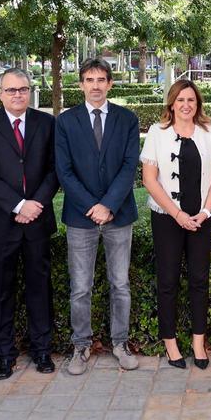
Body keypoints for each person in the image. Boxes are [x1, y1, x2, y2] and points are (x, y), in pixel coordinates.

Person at [0, 68, 59, 380]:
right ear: (0, 94)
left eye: (23, 89)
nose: (18, 94)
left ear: (30, 91)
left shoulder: (47, 123)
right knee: (1, 292)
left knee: (39, 289)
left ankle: (41, 350)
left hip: (37, 221)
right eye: (11, 90)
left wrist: (35, 205)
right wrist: (18, 205)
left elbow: (54, 169)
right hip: (1, 223)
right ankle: (4, 355)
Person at [55, 58, 141, 373]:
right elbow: (64, 171)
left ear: (110, 84)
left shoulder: (127, 119)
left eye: (101, 79)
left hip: (119, 214)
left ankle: (120, 343)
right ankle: (81, 346)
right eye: (89, 79)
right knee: (81, 286)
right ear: (81, 84)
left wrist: (109, 205)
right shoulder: (66, 122)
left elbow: (129, 165)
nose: (95, 85)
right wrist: (92, 205)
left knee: (120, 284)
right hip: (80, 216)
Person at [140, 79, 211, 369]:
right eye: (180, 100)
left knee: (199, 281)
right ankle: (171, 344)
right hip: (167, 218)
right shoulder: (156, 132)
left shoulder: (208, 131)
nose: (186, 105)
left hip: (201, 218)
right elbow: (149, 180)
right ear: (171, 104)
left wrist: (205, 211)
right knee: (168, 281)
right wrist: (177, 215)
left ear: (197, 104)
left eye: (191, 100)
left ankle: (199, 343)